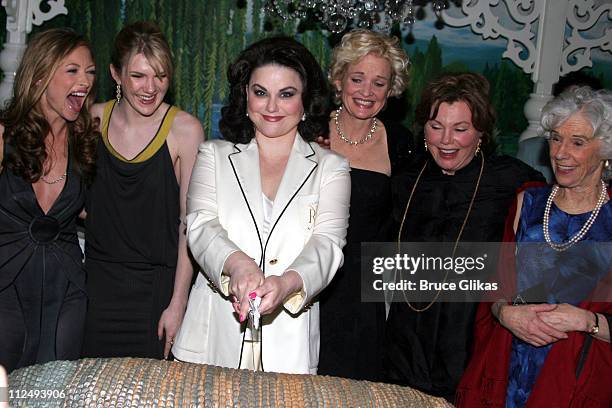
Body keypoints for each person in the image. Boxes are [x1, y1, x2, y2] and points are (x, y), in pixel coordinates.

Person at [172, 37, 351, 374]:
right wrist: (238, 265)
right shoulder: (214, 155)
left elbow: (328, 245)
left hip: (290, 341)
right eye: (260, 92)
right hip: (212, 337)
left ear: (305, 100)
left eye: (286, 94)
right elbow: (200, 226)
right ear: (245, 96)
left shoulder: (331, 168)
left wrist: (286, 284)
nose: (271, 107)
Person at [384, 72, 545, 401]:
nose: (446, 140)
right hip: (406, 338)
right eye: (435, 126)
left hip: (472, 336)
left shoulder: (514, 180)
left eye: (460, 129)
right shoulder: (405, 179)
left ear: (481, 133)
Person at [457, 86, 612, 407]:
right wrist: (505, 313)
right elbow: (494, 289)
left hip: (577, 384)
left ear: (605, 150)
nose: (560, 152)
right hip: (508, 372)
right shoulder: (526, 203)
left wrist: (587, 322)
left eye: (578, 142)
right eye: (555, 138)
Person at [82, 21, 203, 359]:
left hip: (156, 294)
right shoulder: (91, 121)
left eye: (160, 76)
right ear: (116, 75)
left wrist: (178, 303)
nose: (151, 87)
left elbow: (188, 224)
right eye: (138, 76)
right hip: (95, 291)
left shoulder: (185, 130)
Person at [317, 29, 412, 381]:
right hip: (308, 280)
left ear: (391, 89)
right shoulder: (310, 130)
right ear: (339, 79)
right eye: (358, 79)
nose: (367, 92)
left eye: (379, 83)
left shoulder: (401, 143)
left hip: (364, 292)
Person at [0, 28, 98, 372]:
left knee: (55, 389)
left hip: (67, 290)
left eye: (89, 72)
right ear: (40, 75)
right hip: (6, 288)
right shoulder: (3, 135)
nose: (84, 81)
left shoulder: (86, 144)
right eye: (72, 70)